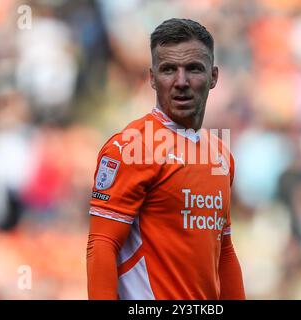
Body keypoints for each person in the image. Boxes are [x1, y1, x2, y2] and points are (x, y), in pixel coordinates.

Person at [86, 18, 245, 300]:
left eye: (193, 69)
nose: (181, 82)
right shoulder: (131, 147)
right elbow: (102, 243)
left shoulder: (220, 155)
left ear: (214, 77)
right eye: (168, 69)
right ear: (151, 78)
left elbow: (225, 253)